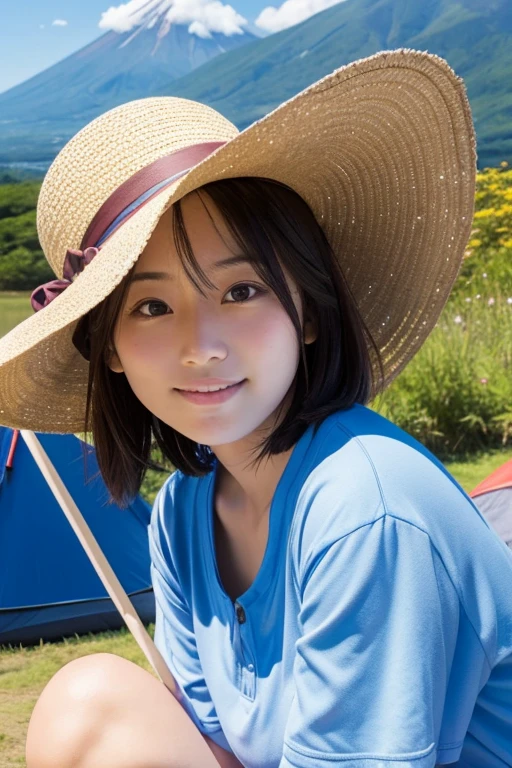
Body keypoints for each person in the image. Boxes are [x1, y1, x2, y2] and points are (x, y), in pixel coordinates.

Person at [0, 48, 510, 768]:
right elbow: (219, 749)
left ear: (305, 309)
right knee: (89, 703)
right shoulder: (182, 513)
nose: (201, 346)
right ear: (108, 348)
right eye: (150, 305)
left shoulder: (364, 507)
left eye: (241, 291)